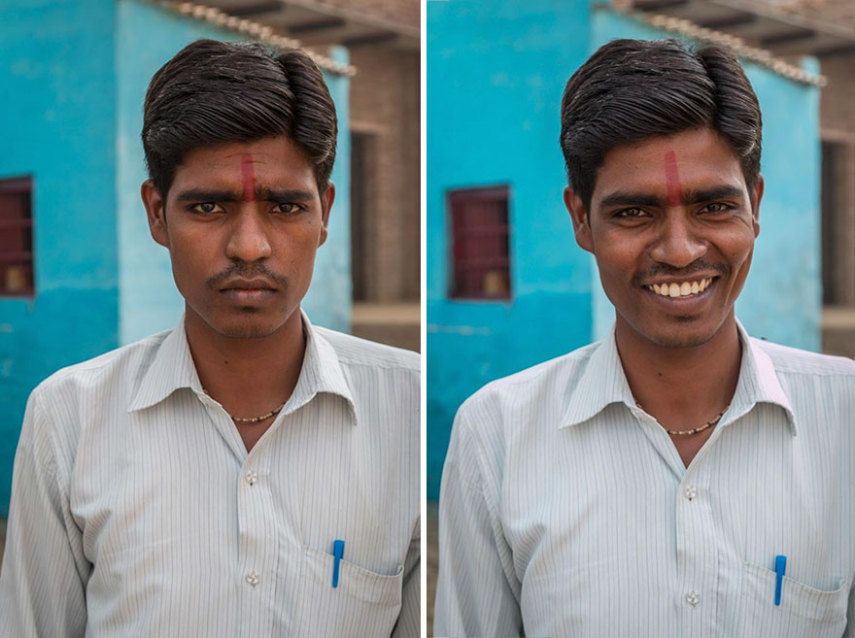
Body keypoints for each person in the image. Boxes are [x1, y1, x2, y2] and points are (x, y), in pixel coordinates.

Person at [434, 38, 855, 637]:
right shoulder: (497, 434)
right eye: (634, 213)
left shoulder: (846, 421)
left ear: (754, 207)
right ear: (581, 219)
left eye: (714, 207)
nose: (680, 251)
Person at [0, 40, 419, 637]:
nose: (249, 246)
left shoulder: (408, 412)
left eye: (285, 206)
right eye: (208, 206)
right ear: (156, 215)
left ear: (324, 212)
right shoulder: (67, 418)